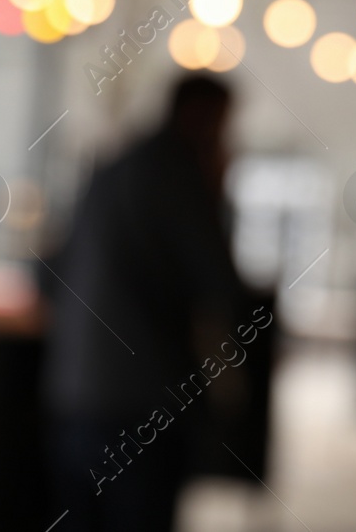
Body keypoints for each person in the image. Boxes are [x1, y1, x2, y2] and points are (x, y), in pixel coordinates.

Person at [43, 74, 253, 532]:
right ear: (204, 117)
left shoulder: (113, 168)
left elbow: (49, 272)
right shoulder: (179, 174)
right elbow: (219, 283)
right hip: (143, 401)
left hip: (76, 390)